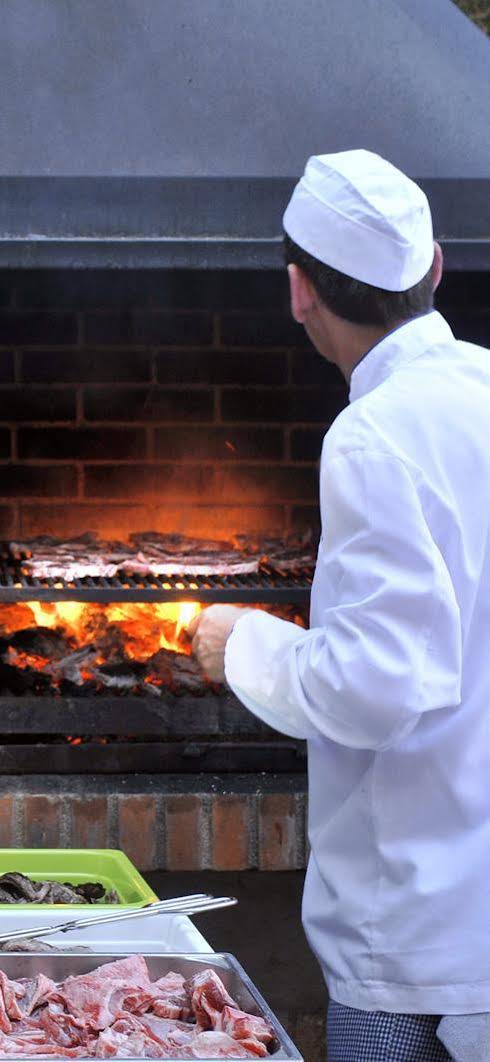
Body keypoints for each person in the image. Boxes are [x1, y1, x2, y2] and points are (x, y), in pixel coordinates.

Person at [191, 150, 490, 1062]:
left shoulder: (374, 435)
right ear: (435, 267)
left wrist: (242, 643)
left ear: (298, 291)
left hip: (417, 946)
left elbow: (375, 687)